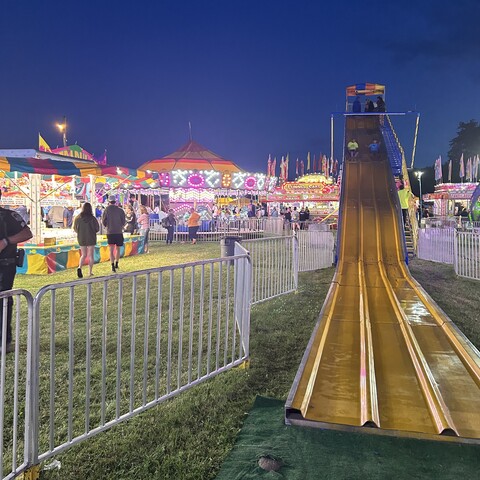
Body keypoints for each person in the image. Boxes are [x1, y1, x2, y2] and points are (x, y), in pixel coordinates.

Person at [0, 189, 33, 353]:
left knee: (4, 301)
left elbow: (27, 233)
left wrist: (6, 241)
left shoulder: (8, 216)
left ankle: (4, 342)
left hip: (5, 266)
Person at [73, 202, 99, 278]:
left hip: (81, 237)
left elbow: (75, 228)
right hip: (91, 237)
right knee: (91, 255)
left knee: (83, 255)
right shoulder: (93, 218)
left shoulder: (78, 218)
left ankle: (79, 267)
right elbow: (97, 229)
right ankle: (90, 272)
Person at [102, 195, 126, 273]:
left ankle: (112, 265)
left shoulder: (106, 210)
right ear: (115, 202)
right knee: (118, 249)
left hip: (110, 232)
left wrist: (107, 226)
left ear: (109, 202)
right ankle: (116, 263)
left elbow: (103, 221)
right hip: (119, 232)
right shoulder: (120, 210)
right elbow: (123, 221)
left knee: (111, 250)